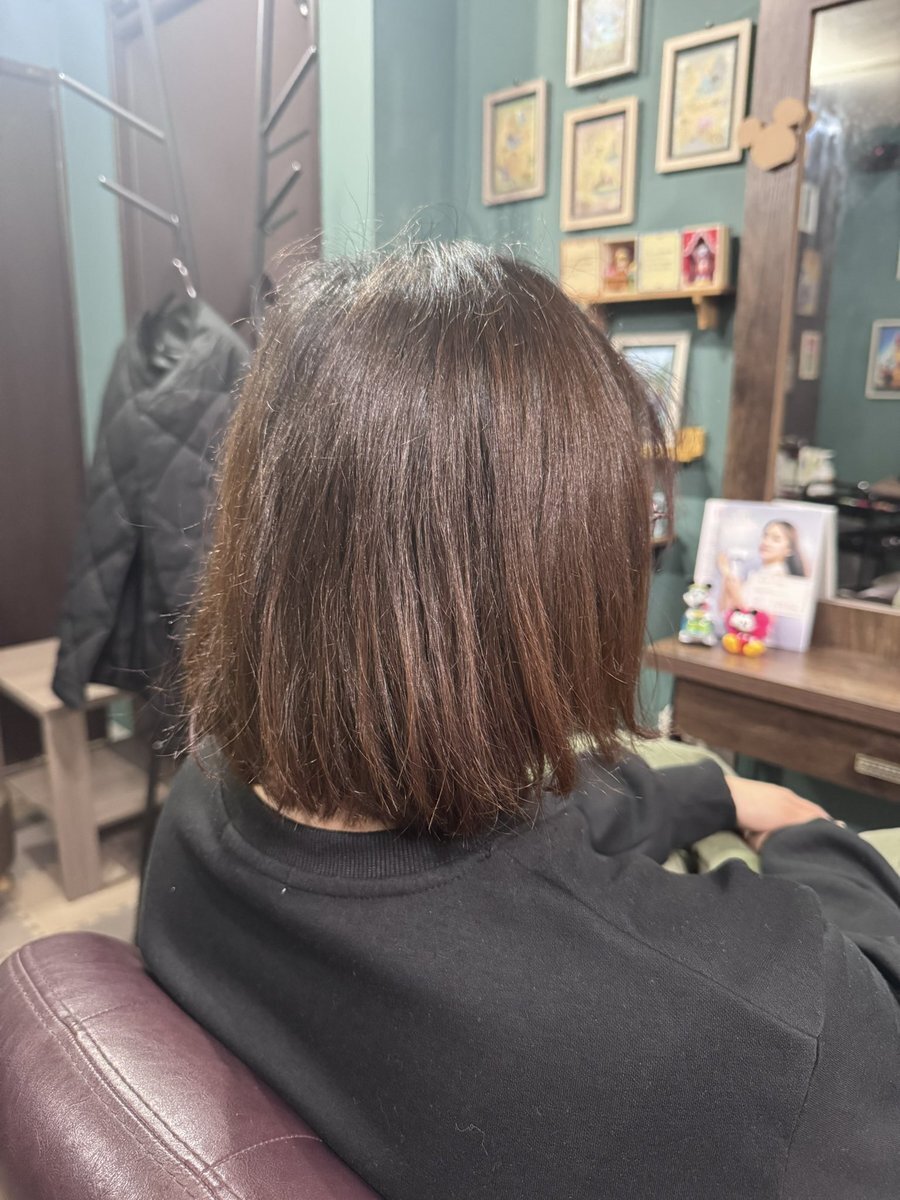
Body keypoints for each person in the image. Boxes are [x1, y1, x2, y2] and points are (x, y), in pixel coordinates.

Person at [139, 242, 900, 1200]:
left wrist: (715, 792)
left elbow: (522, 838)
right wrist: (819, 842)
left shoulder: (199, 801)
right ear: (566, 575)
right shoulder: (752, 1033)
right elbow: (865, 1009)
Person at [718, 518, 806, 615]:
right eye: (765, 535)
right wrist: (727, 574)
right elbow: (725, 611)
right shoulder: (760, 574)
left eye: (776, 539)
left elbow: (756, 618)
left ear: (789, 550)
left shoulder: (779, 578)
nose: (766, 542)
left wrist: (734, 588)